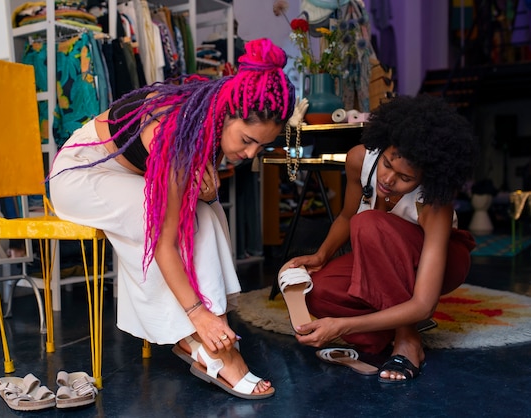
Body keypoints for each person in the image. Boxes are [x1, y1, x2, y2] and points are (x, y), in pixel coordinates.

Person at [48, 38, 296, 399]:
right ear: (228, 113)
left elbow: (194, 189)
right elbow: (165, 243)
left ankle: (208, 341)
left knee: (207, 216)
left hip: (127, 175)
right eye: (246, 140)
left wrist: (206, 189)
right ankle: (208, 343)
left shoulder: (209, 112)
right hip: (82, 174)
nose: (249, 154)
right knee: (170, 223)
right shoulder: (175, 131)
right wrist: (198, 313)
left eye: (261, 146)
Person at [278, 94, 478, 383]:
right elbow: (347, 216)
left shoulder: (435, 203)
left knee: (369, 224)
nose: (388, 179)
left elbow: (424, 304)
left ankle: (407, 340)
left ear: (427, 177)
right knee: (319, 292)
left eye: (405, 178)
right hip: (379, 254)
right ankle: (389, 327)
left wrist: (343, 327)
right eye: (387, 163)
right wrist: (321, 255)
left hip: (439, 263)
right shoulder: (360, 159)